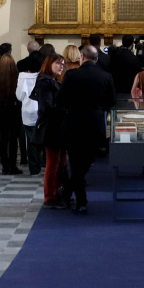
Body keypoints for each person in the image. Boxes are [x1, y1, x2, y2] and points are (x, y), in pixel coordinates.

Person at [60, 45, 116, 211]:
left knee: (76, 164)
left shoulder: (71, 75)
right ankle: (79, 199)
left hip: (74, 124)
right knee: (85, 163)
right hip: (95, 124)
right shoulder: (106, 76)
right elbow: (110, 103)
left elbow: (61, 100)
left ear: (82, 58)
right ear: (96, 59)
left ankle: (75, 196)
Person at [34, 54, 68, 206]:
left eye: (63, 64)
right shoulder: (45, 82)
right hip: (51, 127)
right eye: (58, 63)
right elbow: (46, 108)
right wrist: (66, 110)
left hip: (57, 126)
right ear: (49, 64)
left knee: (60, 161)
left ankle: (57, 191)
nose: (62, 66)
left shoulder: (52, 81)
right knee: (53, 163)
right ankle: (50, 196)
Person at [0, 44, 22, 173]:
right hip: (15, 109)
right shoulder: (17, 78)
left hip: (2, 109)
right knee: (13, 137)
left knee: (3, 136)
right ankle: (13, 164)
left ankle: (4, 165)